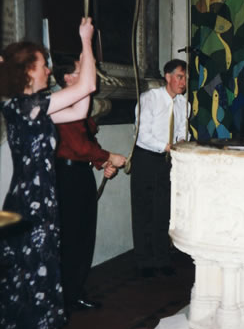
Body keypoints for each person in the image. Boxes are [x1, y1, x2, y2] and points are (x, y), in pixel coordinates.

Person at [0, 17, 96, 329]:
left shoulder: (36, 108)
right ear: (27, 72)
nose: (48, 71)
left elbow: (82, 107)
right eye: (42, 65)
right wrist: (85, 39)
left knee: (29, 277)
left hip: (40, 201)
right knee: (23, 278)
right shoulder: (25, 108)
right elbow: (87, 86)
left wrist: (86, 56)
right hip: (28, 205)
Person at [53, 59, 126, 313]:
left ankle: (73, 292)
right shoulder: (63, 104)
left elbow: (85, 145)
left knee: (82, 235)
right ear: (68, 79)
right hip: (69, 177)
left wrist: (100, 162)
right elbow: (78, 146)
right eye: (79, 72)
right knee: (75, 237)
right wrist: (108, 157)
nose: (85, 76)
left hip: (78, 173)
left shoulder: (73, 104)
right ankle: (67, 296)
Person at [130, 59, 190, 278]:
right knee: (144, 210)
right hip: (146, 158)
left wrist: (182, 142)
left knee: (163, 210)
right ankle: (144, 262)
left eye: (185, 78)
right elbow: (142, 135)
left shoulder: (183, 103)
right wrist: (166, 146)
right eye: (179, 77)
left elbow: (182, 130)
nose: (183, 82)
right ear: (168, 76)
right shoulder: (150, 99)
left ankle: (162, 259)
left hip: (167, 160)